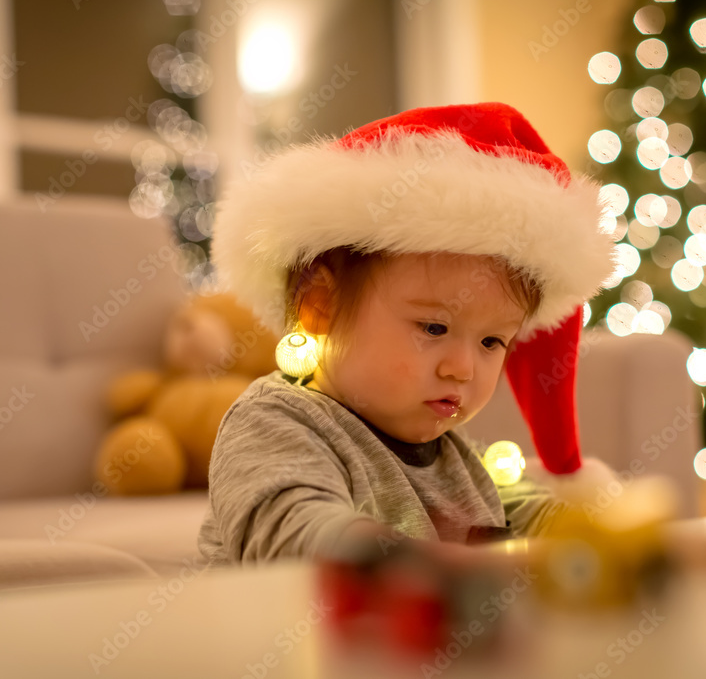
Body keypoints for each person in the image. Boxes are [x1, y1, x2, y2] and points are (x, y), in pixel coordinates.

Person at [196, 102, 617, 565]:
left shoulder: (451, 456)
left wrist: (600, 532)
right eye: (434, 327)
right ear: (321, 306)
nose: (461, 368)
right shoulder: (277, 422)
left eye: (491, 342)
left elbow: (512, 515)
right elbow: (297, 537)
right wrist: (432, 567)